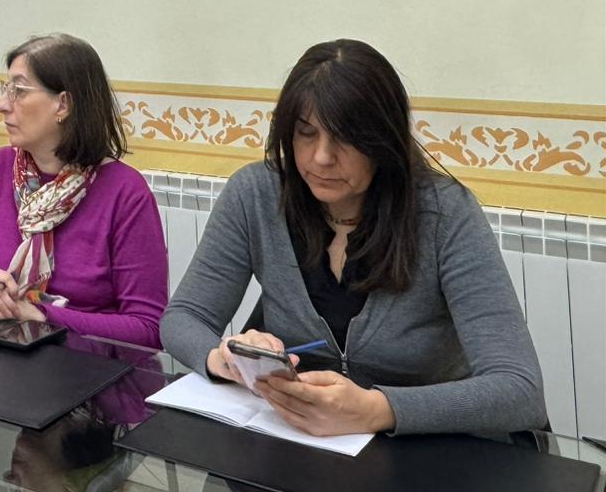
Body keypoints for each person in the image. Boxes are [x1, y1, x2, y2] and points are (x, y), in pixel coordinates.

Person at [160, 39, 547, 439]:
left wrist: (377, 410)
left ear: (383, 142)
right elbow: (183, 317)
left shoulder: (444, 213)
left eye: (344, 138)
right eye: (306, 133)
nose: (321, 157)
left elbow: (520, 390)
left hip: (430, 448)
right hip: (304, 440)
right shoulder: (255, 195)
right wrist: (224, 359)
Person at [0, 33, 167, 347]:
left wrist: (41, 315)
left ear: (63, 104)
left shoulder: (126, 192)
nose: (2, 105)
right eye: (5, 89)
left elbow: (147, 328)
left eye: (19, 91)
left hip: (86, 367)